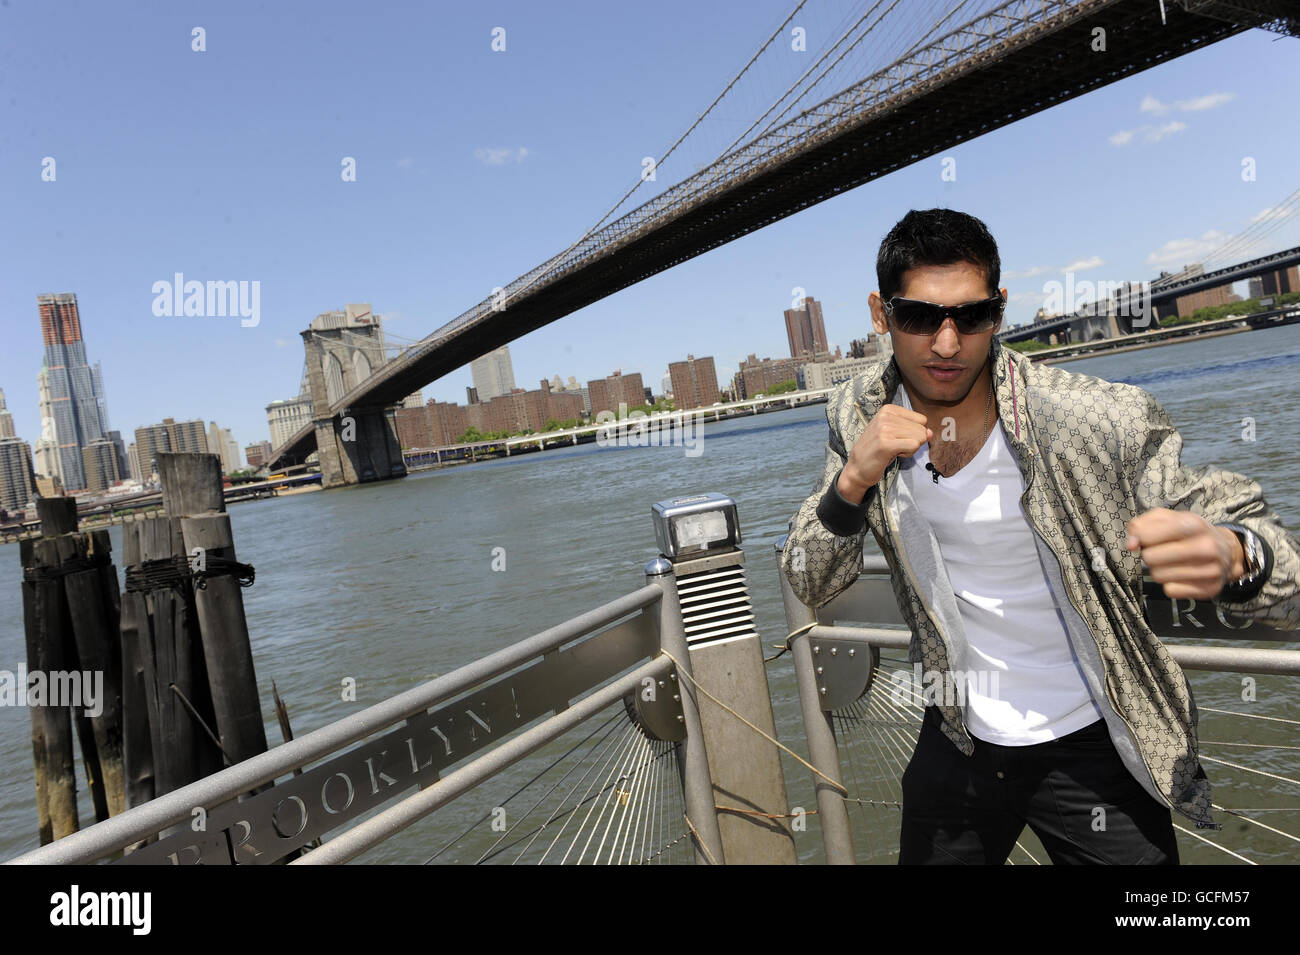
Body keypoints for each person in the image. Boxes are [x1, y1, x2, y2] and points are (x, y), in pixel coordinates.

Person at [780, 208, 1300, 865]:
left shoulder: (1091, 417)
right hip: (959, 736)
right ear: (881, 314)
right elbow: (809, 576)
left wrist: (1234, 554)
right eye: (919, 316)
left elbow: (1275, 554)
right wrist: (853, 478)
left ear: (997, 312)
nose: (946, 344)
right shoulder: (856, 410)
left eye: (969, 317)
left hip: (1092, 742)